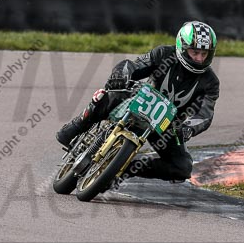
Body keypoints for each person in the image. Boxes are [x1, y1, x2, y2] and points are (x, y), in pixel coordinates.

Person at [56, 21, 219, 182]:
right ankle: (77, 125)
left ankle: (123, 169)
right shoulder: (164, 54)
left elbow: (205, 113)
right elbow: (134, 65)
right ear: (182, 47)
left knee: (182, 167)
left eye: (204, 54)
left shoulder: (211, 82)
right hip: (139, 100)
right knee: (108, 95)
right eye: (195, 52)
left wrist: (188, 129)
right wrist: (121, 75)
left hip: (166, 126)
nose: (199, 59)